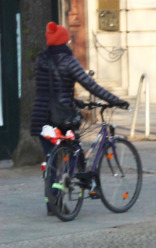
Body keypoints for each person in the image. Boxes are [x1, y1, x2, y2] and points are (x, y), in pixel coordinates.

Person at [31, 22, 128, 213]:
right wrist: (114, 100)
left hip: (41, 117)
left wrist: (75, 102)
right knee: (71, 153)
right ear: (64, 41)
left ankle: (53, 204)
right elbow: (90, 85)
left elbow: (50, 89)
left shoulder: (41, 60)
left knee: (52, 159)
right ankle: (85, 183)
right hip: (62, 118)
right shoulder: (69, 61)